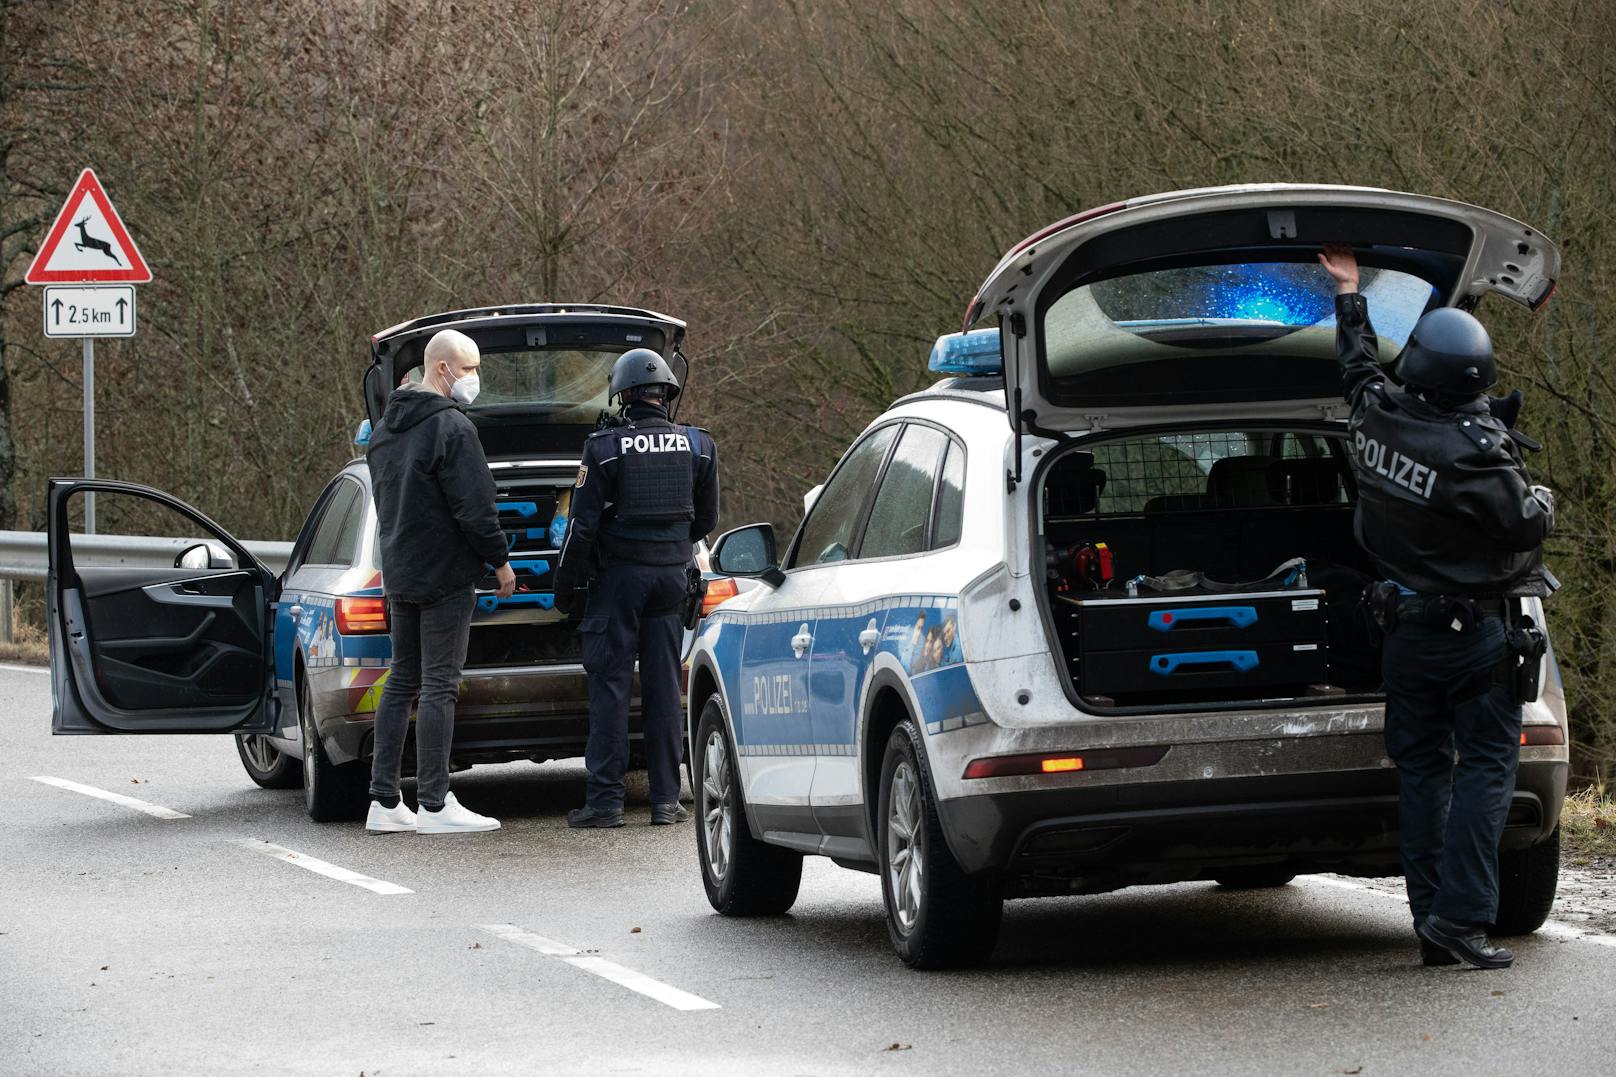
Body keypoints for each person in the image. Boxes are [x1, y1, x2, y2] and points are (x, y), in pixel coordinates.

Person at [1318, 244, 1555, 969]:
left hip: (1405, 634)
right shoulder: (1475, 454)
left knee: (1422, 774)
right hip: (1473, 636)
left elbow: (1358, 367)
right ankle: (1459, 918)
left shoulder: (1375, 415)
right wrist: (1542, 493)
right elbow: (1525, 522)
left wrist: (1350, 294)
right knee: (1485, 768)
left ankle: (1431, 920)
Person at [553, 348, 719, 828]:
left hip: (619, 583)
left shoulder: (603, 449)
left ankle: (605, 804)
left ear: (623, 396)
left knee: (611, 687)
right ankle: (667, 801)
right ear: (667, 393)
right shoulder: (700, 446)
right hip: (671, 581)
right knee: (666, 689)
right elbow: (706, 520)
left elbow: (581, 531)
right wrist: (668, 550)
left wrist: (565, 591)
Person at [363, 328, 516, 835]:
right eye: (469, 369)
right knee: (438, 686)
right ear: (442, 368)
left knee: (402, 680)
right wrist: (500, 562)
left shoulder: (386, 429)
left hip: (400, 570)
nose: (474, 379)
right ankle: (433, 803)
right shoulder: (453, 428)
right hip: (446, 572)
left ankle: (384, 802)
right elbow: (474, 507)